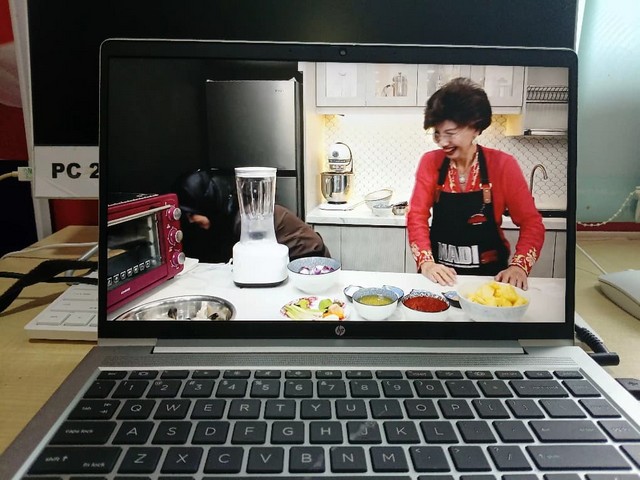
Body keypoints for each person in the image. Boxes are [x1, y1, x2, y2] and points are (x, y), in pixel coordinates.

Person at [406, 77, 544, 290]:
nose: (442, 142)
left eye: (450, 133)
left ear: (476, 128)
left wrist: (519, 266)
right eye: (437, 134)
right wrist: (426, 262)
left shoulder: (503, 165)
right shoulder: (430, 162)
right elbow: (416, 215)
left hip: (491, 280)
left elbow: (531, 223)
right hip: (440, 279)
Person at [173, 169, 331, 263]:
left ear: (209, 206)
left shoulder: (247, 220)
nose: (191, 220)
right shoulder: (234, 208)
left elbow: (254, 263)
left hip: (307, 259)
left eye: (192, 215)